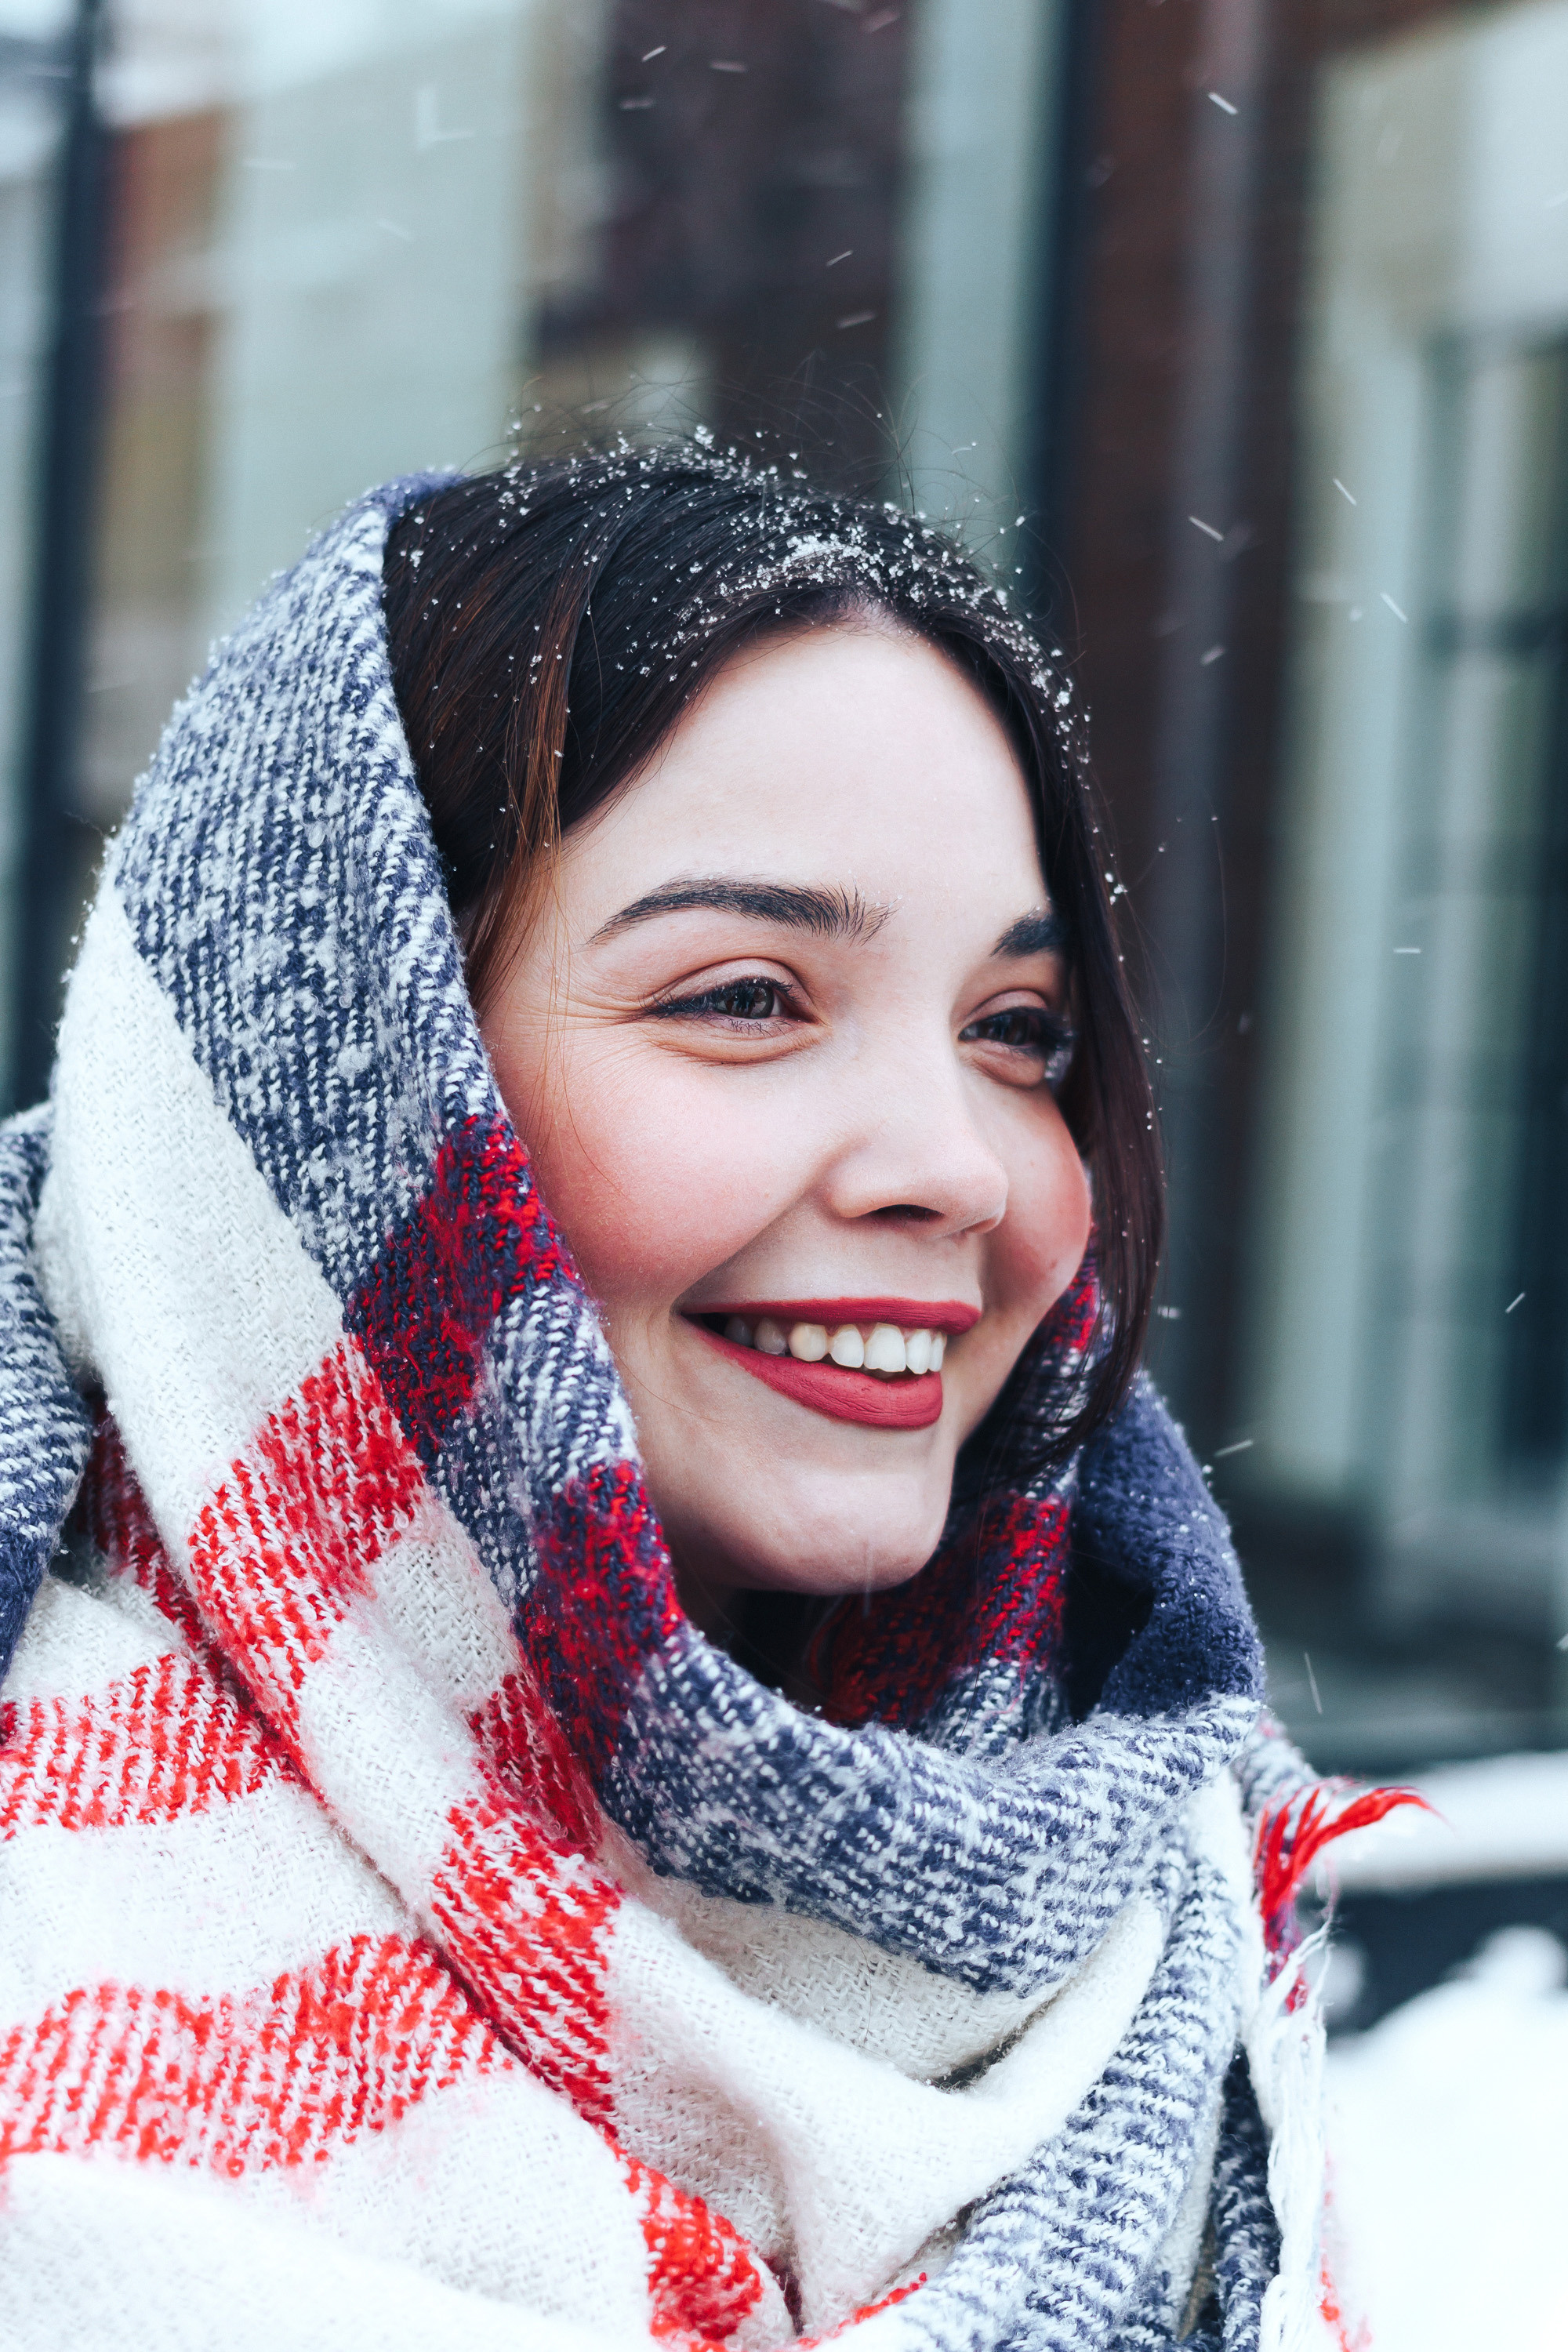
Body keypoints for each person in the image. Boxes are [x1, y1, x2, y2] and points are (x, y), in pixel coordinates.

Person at [0, 445, 1372, 2350]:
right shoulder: (55, 2006)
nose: (959, 1167)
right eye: (744, 996)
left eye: (1015, 1034)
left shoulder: (1147, 1908)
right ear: (352, 1096)